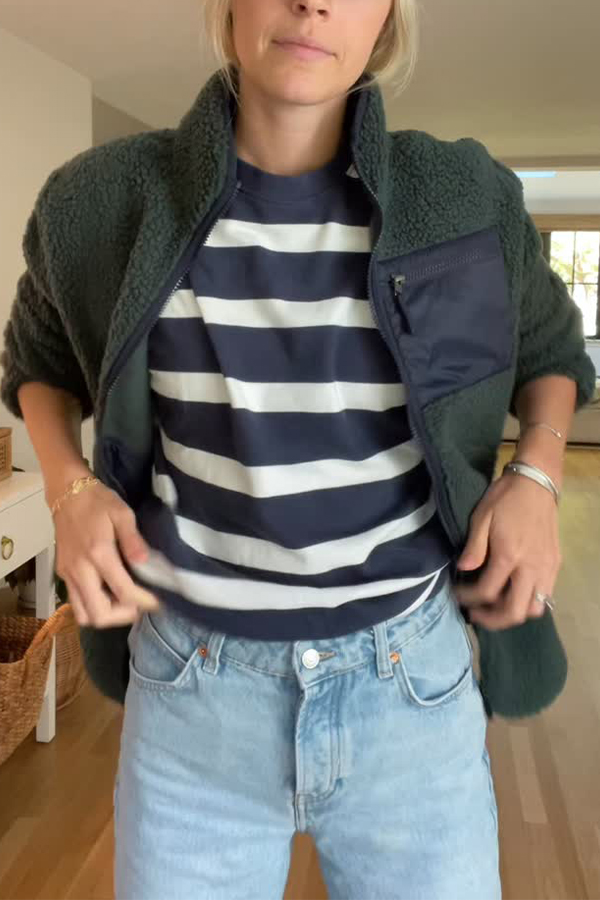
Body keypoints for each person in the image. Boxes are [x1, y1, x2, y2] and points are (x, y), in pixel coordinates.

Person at [1, 0, 595, 897]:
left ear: (386, 17)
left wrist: (539, 474)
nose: (313, 2)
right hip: (192, 699)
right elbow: (37, 359)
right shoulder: (104, 202)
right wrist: (68, 487)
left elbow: (550, 350)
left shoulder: (465, 195)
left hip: (411, 697)